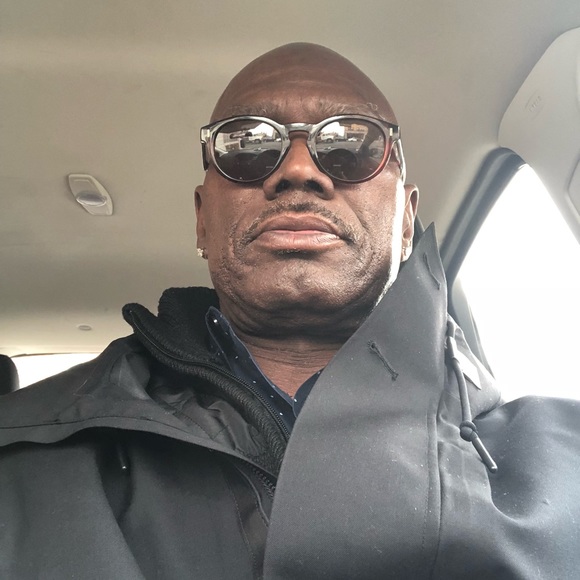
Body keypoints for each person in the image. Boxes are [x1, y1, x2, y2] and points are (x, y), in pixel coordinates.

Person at [0, 43, 579, 580]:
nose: (298, 171)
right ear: (202, 219)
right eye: (247, 145)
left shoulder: (560, 463)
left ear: (406, 220)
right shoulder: (21, 453)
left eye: (350, 145)